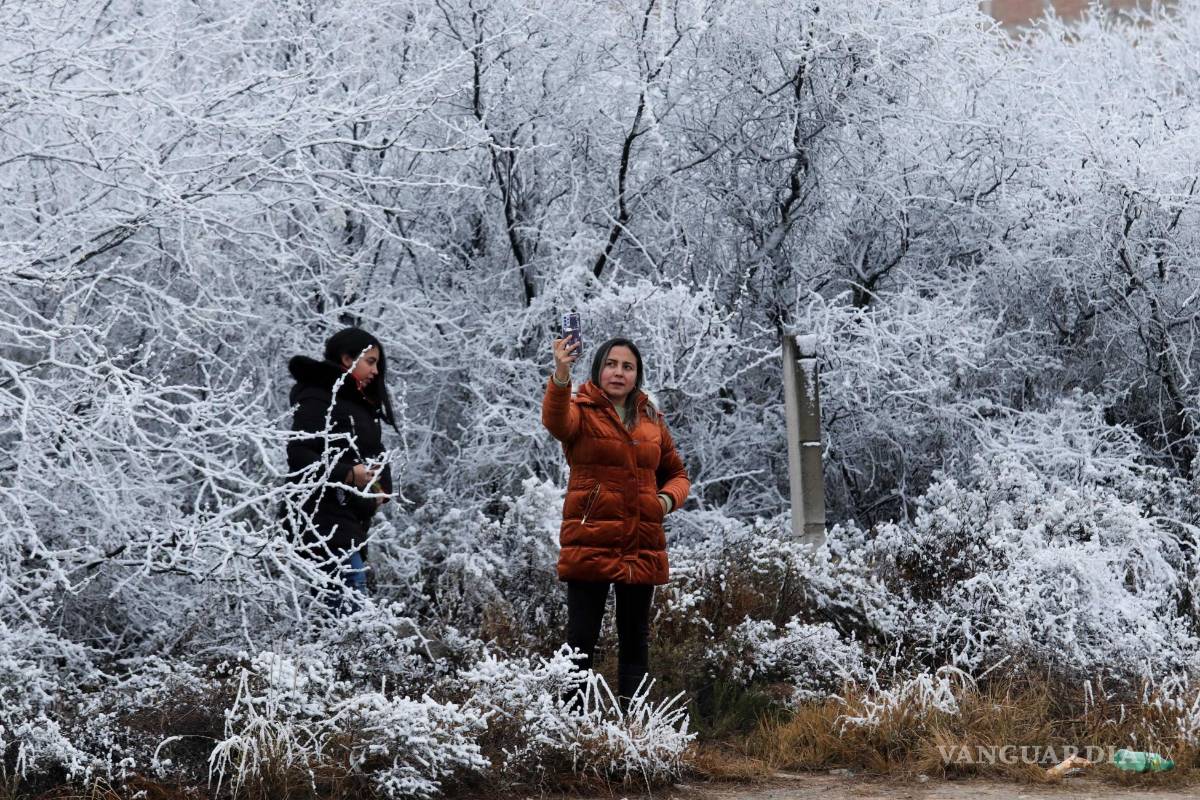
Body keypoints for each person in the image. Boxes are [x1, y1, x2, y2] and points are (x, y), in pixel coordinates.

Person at [542, 334, 690, 703]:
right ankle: (569, 734)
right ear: (598, 369)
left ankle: (633, 731)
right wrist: (562, 372)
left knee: (635, 641)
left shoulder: (651, 419)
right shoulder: (580, 409)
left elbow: (678, 475)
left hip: (641, 542)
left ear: (637, 375)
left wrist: (664, 503)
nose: (618, 373)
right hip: (590, 540)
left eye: (627, 366)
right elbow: (556, 421)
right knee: (579, 643)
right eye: (611, 364)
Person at [286, 327, 395, 612]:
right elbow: (299, 454)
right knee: (350, 591)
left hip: (351, 514)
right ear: (347, 359)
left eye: (377, 363)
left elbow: (373, 450)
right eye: (370, 361)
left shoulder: (359, 403)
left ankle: (340, 654)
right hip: (320, 514)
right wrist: (347, 474)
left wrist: (382, 488)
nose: (375, 371)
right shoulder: (318, 397)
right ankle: (345, 655)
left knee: (348, 592)